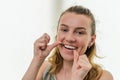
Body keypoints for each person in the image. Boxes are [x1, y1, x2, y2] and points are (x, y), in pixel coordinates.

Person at [22, 5, 114, 80]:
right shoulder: (44, 69)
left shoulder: (103, 77)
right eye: (65, 30)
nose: (70, 38)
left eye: (79, 32)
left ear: (91, 40)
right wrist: (37, 59)